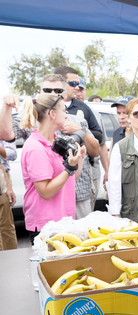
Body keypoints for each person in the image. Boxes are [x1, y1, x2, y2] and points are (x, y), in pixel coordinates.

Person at [20, 93, 85, 244]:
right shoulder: (35, 148)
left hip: (64, 221)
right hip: (46, 226)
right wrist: (69, 168)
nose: (67, 116)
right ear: (52, 114)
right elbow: (46, 192)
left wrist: (79, 158)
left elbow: (71, 178)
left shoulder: (57, 141)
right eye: (64, 111)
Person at [41, 74, 100, 219]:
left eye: (58, 91)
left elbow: (96, 150)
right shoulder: (32, 122)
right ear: (40, 92)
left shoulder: (77, 119)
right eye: (48, 90)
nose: (53, 95)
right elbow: (7, 134)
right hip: (50, 196)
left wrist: (80, 131)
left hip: (78, 193)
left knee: (83, 238)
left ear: (64, 93)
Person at [54, 66, 108, 213]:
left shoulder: (82, 111)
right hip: (53, 191)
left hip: (80, 188)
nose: (77, 88)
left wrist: (79, 132)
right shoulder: (42, 111)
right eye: (73, 84)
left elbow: (98, 141)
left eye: (78, 84)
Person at [107, 98, 138, 223]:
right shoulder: (120, 148)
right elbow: (114, 184)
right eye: (137, 113)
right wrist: (115, 216)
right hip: (132, 216)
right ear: (129, 118)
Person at [0, 140, 17, 250]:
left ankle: (11, 261)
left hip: (1, 179)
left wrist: (8, 187)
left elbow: (12, 154)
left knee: (6, 226)